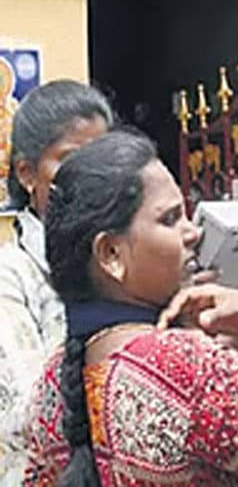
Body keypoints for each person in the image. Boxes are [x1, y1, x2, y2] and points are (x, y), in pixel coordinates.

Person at [22, 131, 238, 486]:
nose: (193, 233)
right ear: (111, 254)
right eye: (170, 219)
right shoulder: (185, 364)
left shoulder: (52, 383)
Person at [0, 81, 112, 485]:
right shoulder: (10, 274)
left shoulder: (123, 263)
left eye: (103, 161)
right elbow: (23, 414)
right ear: (28, 173)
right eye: (72, 160)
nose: (93, 178)